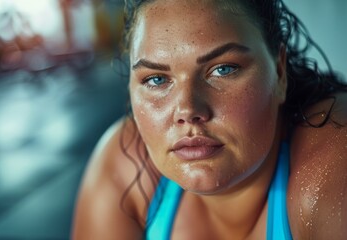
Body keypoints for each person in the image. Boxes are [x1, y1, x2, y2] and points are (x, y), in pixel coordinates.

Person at [72, 0, 347, 239]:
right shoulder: (125, 166)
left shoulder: (332, 165)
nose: (187, 110)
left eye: (223, 69)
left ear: (279, 72)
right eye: (156, 79)